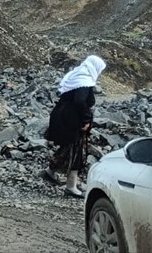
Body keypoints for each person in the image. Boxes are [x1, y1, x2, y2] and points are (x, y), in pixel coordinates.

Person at [42, 55, 106, 198]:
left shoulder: (76, 75)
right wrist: (86, 120)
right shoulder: (84, 81)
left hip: (62, 115)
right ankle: (71, 186)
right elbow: (79, 101)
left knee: (67, 147)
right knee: (76, 150)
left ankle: (50, 171)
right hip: (71, 119)